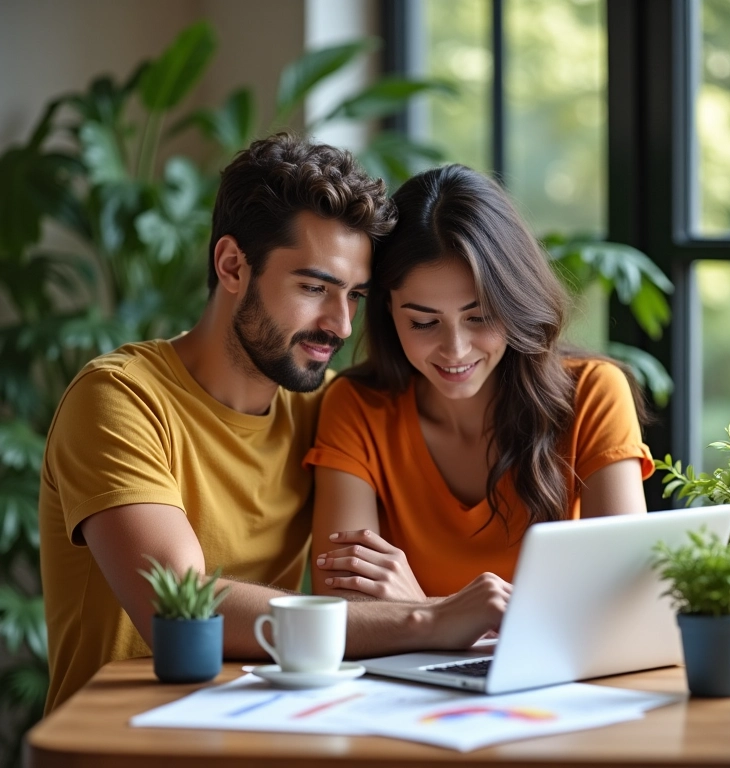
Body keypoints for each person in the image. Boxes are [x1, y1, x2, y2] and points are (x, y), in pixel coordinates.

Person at [39, 136, 510, 714]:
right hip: (122, 742)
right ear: (233, 265)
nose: (339, 325)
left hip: (263, 731)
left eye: (355, 295)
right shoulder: (119, 398)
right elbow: (179, 607)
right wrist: (431, 617)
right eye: (314, 288)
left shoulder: (327, 407)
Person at [307, 163, 655, 602]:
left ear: (515, 303)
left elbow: (624, 599)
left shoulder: (592, 393)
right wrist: (451, 617)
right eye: (423, 322)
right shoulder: (357, 407)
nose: (454, 349)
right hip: (401, 674)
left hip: (560, 673)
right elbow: (344, 608)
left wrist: (423, 609)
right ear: (388, 311)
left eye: (480, 317)